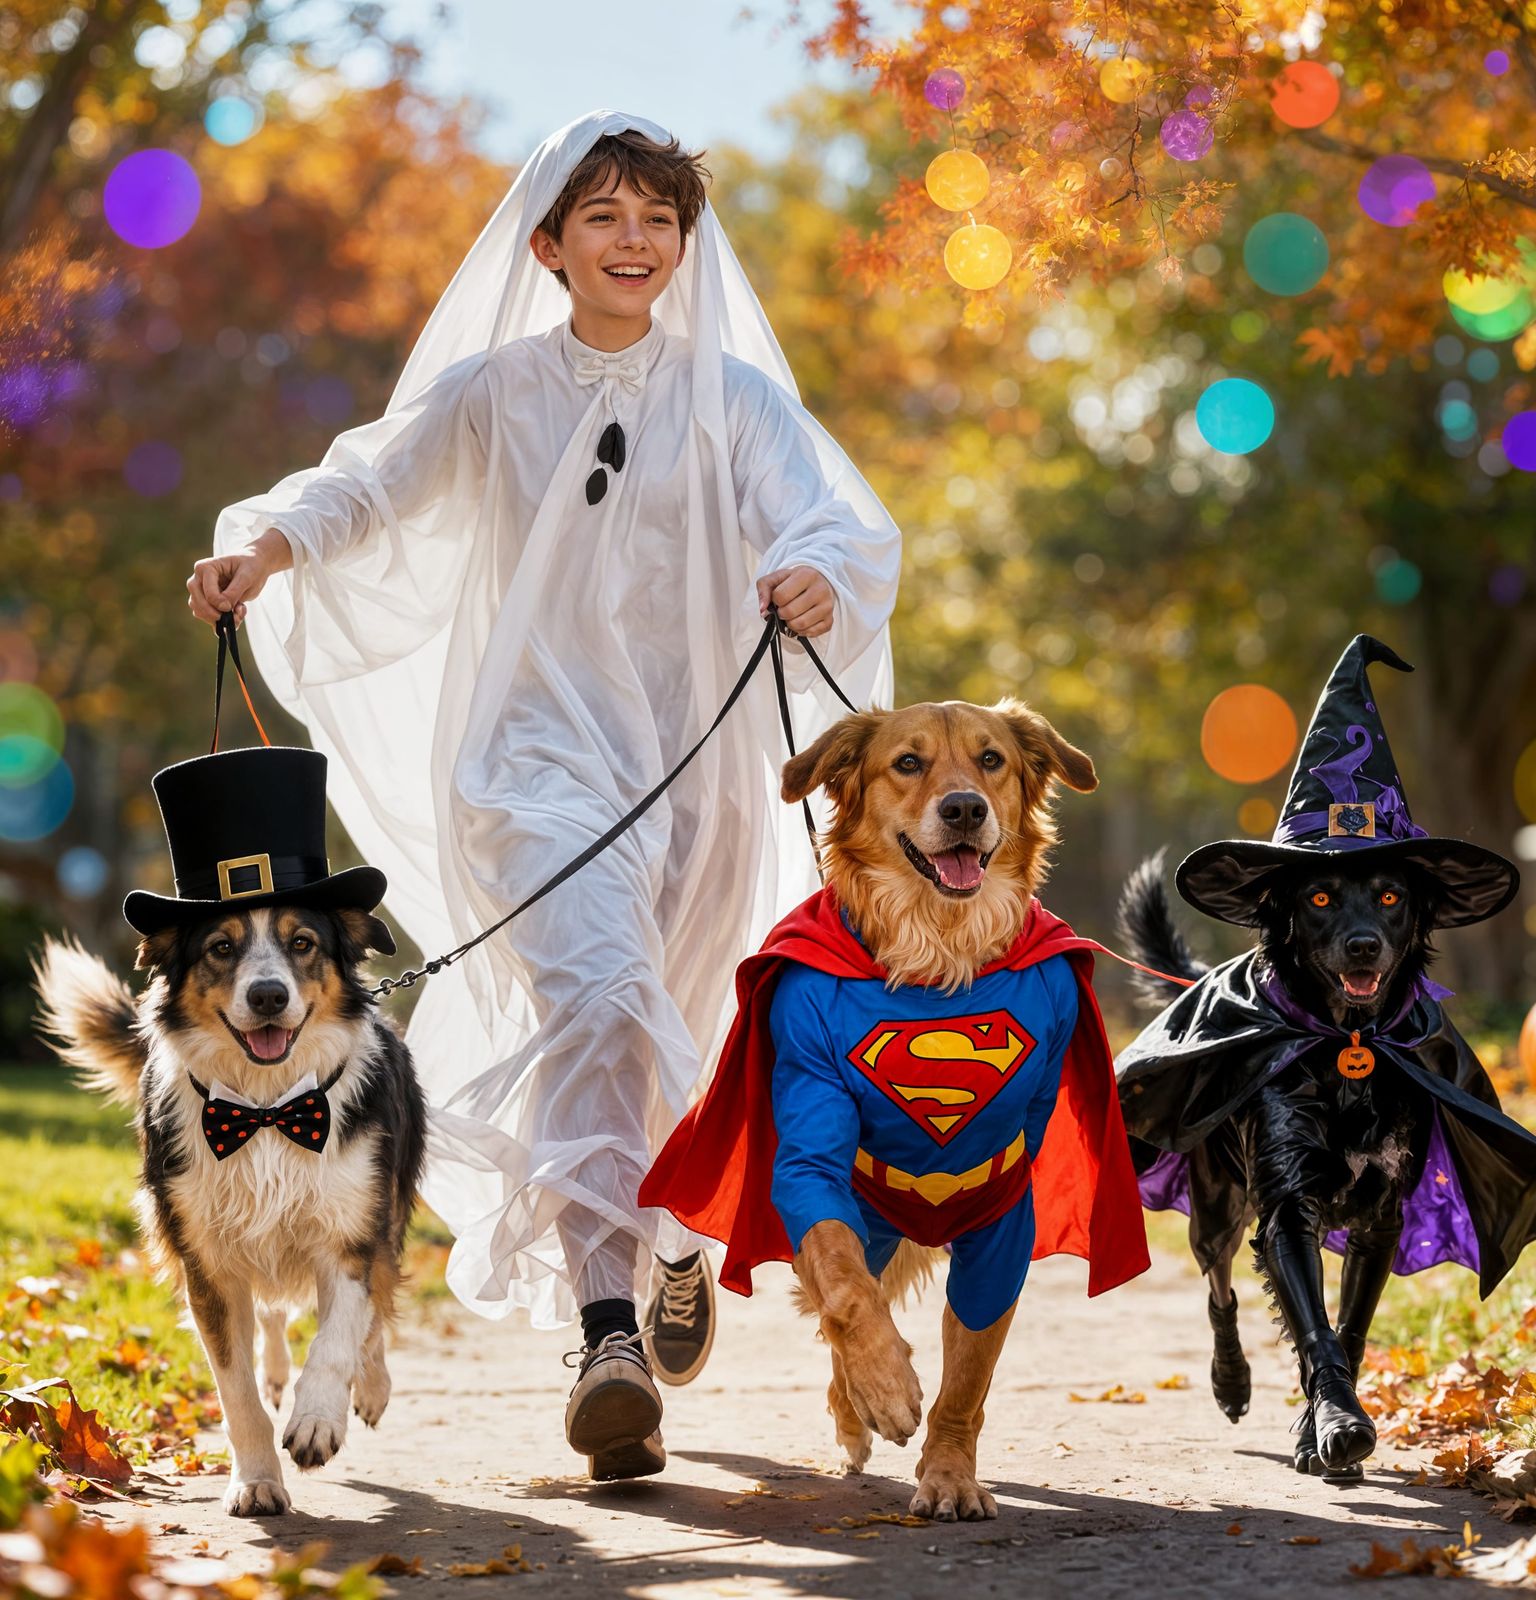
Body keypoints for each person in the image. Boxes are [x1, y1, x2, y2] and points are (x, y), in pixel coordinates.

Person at [185, 111, 901, 1481]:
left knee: (674, 1030)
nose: (634, 240)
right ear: (551, 244)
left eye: (657, 220)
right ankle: (607, 1329)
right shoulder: (494, 389)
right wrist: (270, 543)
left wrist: (815, 569)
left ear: (683, 247)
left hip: (693, 776)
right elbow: (370, 482)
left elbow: (827, 515)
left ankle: (674, 1238)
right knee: (595, 1001)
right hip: (527, 767)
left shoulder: (736, 399)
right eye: (606, 218)